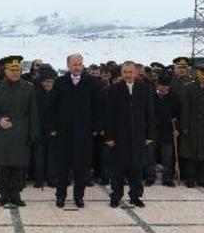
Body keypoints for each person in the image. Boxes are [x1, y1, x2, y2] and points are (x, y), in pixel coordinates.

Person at [0, 55, 39, 207]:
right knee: (3, 165)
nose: (15, 73)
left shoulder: (28, 87)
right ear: (5, 70)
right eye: (12, 70)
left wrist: (33, 133)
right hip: (4, 132)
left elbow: (33, 112)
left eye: (18, 70)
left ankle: (16, 194)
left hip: (22, 131)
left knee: (19, 166)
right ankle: (3, 194)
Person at [49, 53, 101, 209]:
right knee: (62, 167)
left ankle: (79, 196)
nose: (77, 67)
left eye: (79, 64)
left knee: (81, 167)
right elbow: (52, 107)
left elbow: (97, 107)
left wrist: (96, 128)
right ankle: (60, 196)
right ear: (68, 66)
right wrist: (52, 127)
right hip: (64, 133)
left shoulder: (92, 83)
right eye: (74, 65)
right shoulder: (60, 82)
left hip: (84, 133)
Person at [105, 61, 155, 208]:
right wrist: (109, 137)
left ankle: (135, 196)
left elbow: (150, 113)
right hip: (119, 137)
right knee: (118, 170)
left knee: (136, 169)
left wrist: (149, 135)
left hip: (138, 136)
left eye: (130, 72)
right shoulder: (113, 90)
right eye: (125, 72)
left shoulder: (145, 89)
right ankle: (116, 196)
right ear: (121, 73)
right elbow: (108, 115)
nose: (128, 75)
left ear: (136, 73)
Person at [153, 73, 181, 187]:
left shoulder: (174, 97)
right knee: (151, 156)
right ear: (157, 85)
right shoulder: (151, 96)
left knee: (167, 157)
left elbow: (178, 114)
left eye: (166, 85)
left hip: (168, 130)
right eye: (161, 85)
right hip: (152, 130)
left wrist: (177, 128)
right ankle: (150, 176)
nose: (164, 87)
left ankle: (167, 178)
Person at [33, 67, 58, 189]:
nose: (49, 84)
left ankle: (51, 177)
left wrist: (55, 128)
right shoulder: (36, 94)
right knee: (39, 156)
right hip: (39, 130)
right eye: (47, 82)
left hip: (52, 131)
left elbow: (59, 113)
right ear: (41, 82)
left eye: (51, 82)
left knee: (52, 156)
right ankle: (39, 178)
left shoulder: (56, 94)